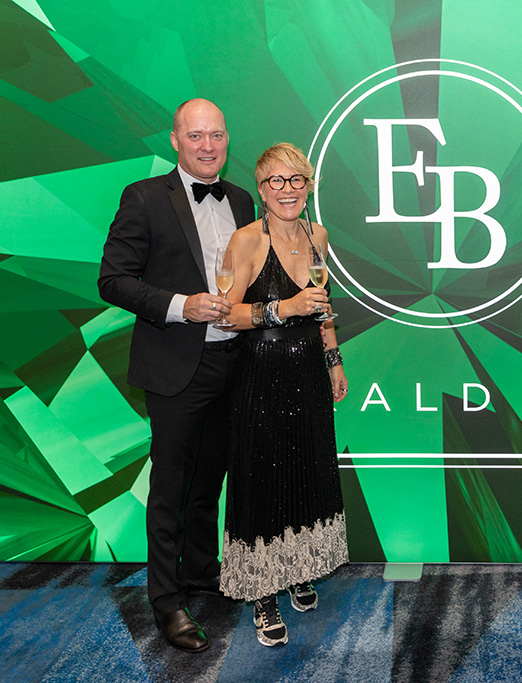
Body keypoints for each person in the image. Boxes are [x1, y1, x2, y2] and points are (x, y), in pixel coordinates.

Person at [98, 98, 255, 652]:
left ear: (227, 139)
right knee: (169, 489)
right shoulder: (144, 197)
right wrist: (179, 305)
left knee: (209, 481)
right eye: (196, 136)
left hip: (233, 363)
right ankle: (167, 602)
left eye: (217, 135)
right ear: (175, 140)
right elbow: (113, 279)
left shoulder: (242, 199)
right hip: (174, 365)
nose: (207, 146)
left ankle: (203, 572)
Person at [217, 142, 349, 647]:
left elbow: (322, 305)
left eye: (297, 180)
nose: (287, 190)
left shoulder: (319, 236)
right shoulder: (247, 241)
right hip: (261, 376)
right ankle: (263, 593)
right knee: (263, 479)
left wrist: (333, 359)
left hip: (309, 373)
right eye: (276, 180)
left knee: (305, 471)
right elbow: (227, 315)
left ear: (309, 187)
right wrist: (283, 308)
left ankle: (297, 569)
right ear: (261, 188)